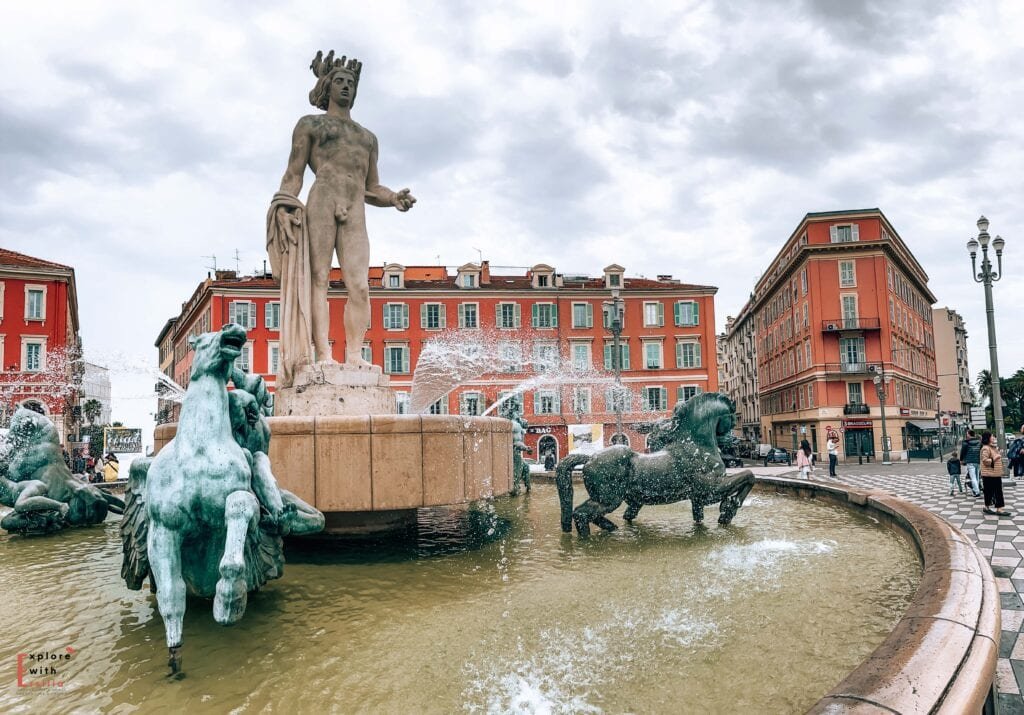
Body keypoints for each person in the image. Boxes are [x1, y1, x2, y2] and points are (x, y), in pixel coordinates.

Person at [269, 51, 415, 387]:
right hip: (322, 201)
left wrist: (393, 199)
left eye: (351, 82)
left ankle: (352, 355)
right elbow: (293, 173)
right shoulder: (311, 125)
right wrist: (285, 204)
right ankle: (323, 356)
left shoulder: (367, 138)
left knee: (360, 286)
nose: (346, 86)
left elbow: (372, 186)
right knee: (318, 279)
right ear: (327, 85)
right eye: (339, 81)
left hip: (355, 209)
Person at [980, 431, 1010, 516]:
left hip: (995, 473)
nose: (994, 438)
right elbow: (985, 461)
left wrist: (997, 454)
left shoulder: (993, 448)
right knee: (990, 491)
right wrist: (996, 457)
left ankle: (998, 508)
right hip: (989, 474)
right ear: (988, 438)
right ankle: (988, 507)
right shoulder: (986, 448)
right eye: (992, 436)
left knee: (997, 491)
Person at [959, 430, 983, 497]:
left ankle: (977, 491)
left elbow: (962, 452)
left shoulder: (966, 443)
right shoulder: (979, 442)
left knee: (973, 477)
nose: (967, 435)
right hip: (977, 461)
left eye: (967, 434)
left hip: (970, 461)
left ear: (969, 435)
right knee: (977, 476)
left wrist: (961, 460)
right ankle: (976, 490)